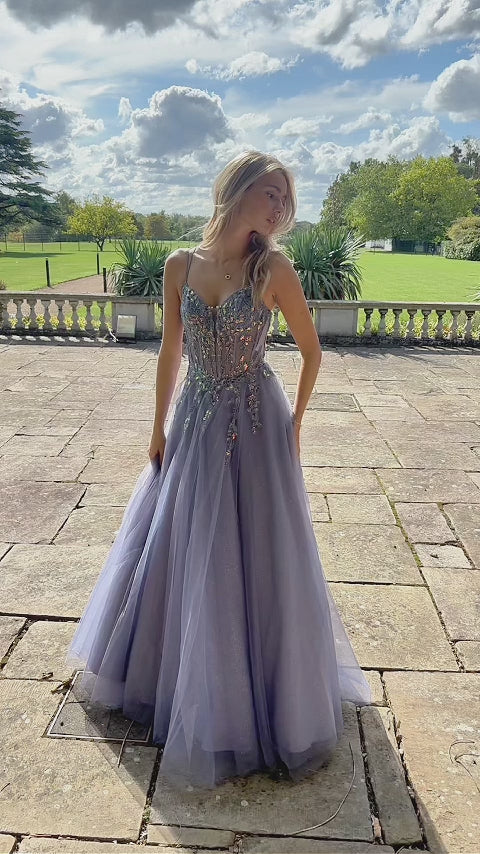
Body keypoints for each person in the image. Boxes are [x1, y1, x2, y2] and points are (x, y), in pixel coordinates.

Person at [66, 150, 371, 791]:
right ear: (237, 191)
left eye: (286, 199)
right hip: (194, 417)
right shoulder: (180, 265)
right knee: (177, 541)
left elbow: (312, 351)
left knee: (255, 550)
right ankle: (171, 679)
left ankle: (256, 695)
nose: (280, 208)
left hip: (256, 422)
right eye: (270, 193)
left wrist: (295, 423)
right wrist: (157, 426)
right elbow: (170, 350)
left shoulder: (273, 268)